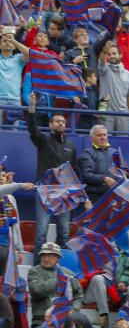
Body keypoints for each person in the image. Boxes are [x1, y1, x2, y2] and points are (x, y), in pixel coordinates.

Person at [26, 92, 75, 257]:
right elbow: (32, 130)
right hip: (44, 192)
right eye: (57, 121)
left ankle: (59, 269)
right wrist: (32, 108)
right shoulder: (43, 140)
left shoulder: (71, 146)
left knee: (64, 234)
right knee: (41, 233)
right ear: (51, 124)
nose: (60, 123)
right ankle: (36, 271)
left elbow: (74, 171)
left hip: (64, 194)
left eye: (63, 121)